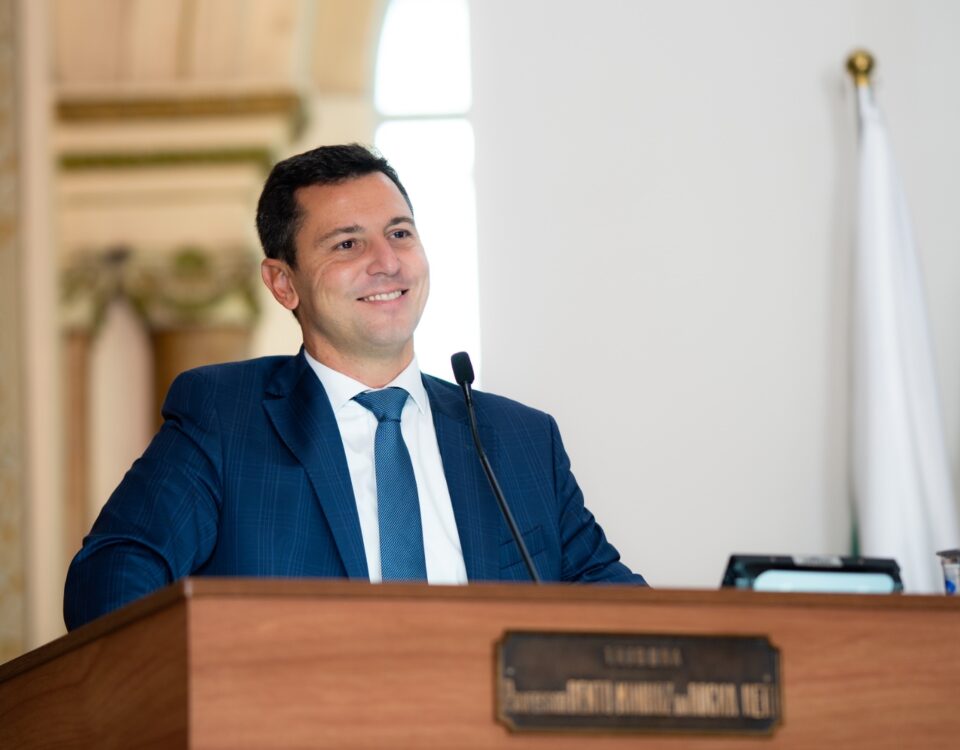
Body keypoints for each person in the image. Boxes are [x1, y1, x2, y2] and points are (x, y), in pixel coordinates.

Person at [63, 144, 645, 630]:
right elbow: (111, 577)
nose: (386, 262)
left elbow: (619, 610)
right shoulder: (226, 418)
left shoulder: (519, 439)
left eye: (400, 233)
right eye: (347, 243)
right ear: (283, 283)